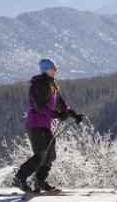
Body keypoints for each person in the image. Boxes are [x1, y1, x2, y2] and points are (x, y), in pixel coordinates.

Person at [13, 58, 84, 193]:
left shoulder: (52, 84)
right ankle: (19, 178)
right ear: (46, 69)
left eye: (55, 67)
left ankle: (40, 181)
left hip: (45, 125)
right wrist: (57, 115)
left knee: (50, 155)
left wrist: (74, 115)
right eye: (53, 68)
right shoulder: (38, 84)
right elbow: (40, 106)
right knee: (40, 155)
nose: (55, 70)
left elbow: (61, 104)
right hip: (35, 124)